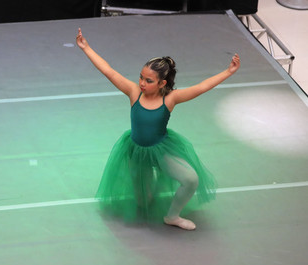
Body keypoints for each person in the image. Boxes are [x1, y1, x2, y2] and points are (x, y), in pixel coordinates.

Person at [76, 28, 240, 230]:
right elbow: (108, 71)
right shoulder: (134, 92)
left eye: (148, 80)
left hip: (161, 150)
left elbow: (201, 87)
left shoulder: (170, 98)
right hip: (136, 151)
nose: (142, 83)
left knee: (190, 180)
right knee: (143, 200)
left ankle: (172, 216)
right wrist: (86, 47)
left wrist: (228, 71)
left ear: (162, 83)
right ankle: (148, 191)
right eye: (141, 77)